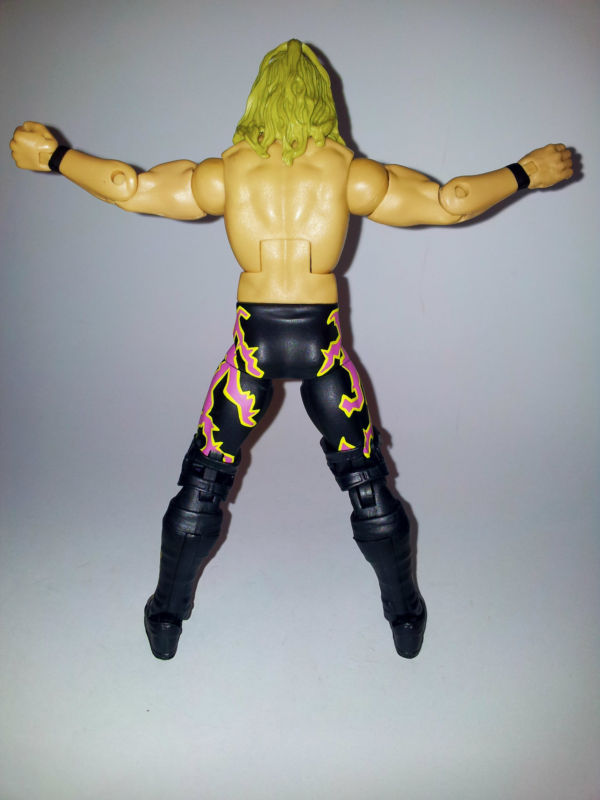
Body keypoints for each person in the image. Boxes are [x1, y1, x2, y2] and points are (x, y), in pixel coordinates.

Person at [10, 39, 573, 660]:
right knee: (368, 485)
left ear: (258, 96)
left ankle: (166, 620)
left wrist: (56, 157)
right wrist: (526, 172)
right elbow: (450, 202)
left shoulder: (227, 172)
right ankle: (405, 618)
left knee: (203, 483)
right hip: (321, 348)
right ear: (322, 99)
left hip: (251, 350)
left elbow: (129, 186)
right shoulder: (347, 171)